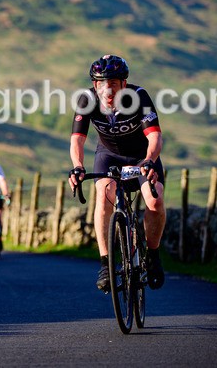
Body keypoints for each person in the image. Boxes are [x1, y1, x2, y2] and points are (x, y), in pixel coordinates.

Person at [68, 54, 166, 292]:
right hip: (108, 155)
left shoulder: (139, 97)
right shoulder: (87, 100)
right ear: (94, 84)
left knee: (154, 201)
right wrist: (78, 166)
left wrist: (150, 161)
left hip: (142, 156)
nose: (107, 89)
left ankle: (152, 255)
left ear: (124, 83)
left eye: (113, 83)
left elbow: (154, 136)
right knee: (103, 194)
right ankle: (105, 264)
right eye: (101, 83)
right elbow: (77, 140)